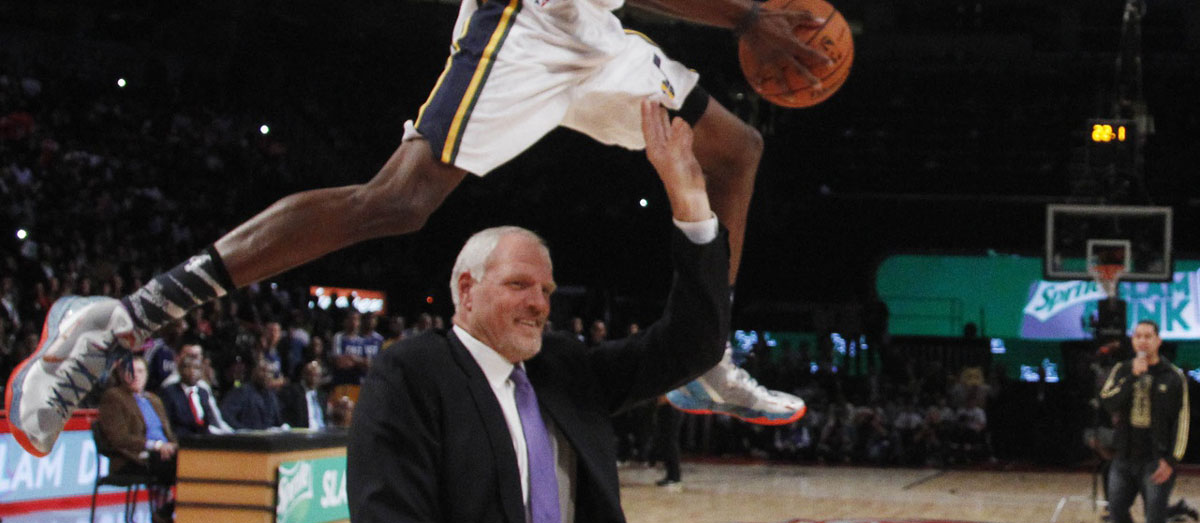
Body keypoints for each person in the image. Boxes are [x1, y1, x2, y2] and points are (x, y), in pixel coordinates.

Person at [4, 0, 823, 458]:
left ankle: (705, 353)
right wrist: (748, 16)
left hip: (590, 33)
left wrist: (749, 16)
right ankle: (114, 321)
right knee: (397, 200)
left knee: (736, 148)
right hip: (526, 21)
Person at [347, 102, 763, 523]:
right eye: (520, 285)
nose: (539, 304)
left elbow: (690, 345)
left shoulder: (564, 370)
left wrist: (692, 210)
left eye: (546, 289)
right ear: (465, 291)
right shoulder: (411, 375)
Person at [1100, 320, 1189, 523]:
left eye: (1148, 336)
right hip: (1124, 457)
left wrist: (1171, 460)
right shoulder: (1122, 369)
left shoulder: (1173, 376)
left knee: (1154, 518)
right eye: (1137, 336)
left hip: (1156, 460)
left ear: (1158, 341)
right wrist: (1132, 378)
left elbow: (1182, 421)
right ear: (1132, 340)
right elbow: (1108, 402)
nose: (1142, 341)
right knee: (1116, 510)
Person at [96, 355, 178, 523]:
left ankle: (166, 511)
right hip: (132, 459)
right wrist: (155, 446)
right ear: (121, 374)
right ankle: (163, 514)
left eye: (140, 371)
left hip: (164, 454)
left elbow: (169, 434)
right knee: (179, 466)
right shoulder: (114, 397)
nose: (136, 376)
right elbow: (118, 438)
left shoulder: (154, 399)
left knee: (194, 463)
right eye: (130, 371)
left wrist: (173, 446)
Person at [159, 356, 224, 435]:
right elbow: (169, 422)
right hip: (182, 438)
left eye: (196, 368)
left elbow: (208, 420)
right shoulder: (169, 392)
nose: (192, 371)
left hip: (204, 438)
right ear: (179, 370)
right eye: (187, 367)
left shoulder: (203, 392)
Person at [220, 358, 285, 430]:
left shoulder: (272, 397)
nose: (266, 375)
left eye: (269, 372)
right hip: (248, 438)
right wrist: (243, 431)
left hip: (268, 438)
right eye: (263, 371)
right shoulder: (242, 392)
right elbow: (226, 415)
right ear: (254, 371)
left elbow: (278, 422)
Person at [279, 360, 330, 430]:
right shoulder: (292, 392)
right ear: (304, 375)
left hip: (322, 434)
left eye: (316, 375)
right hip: (302, 434)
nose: (313, 378)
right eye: (310, 374)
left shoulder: (322, 396)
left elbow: (325, 419)